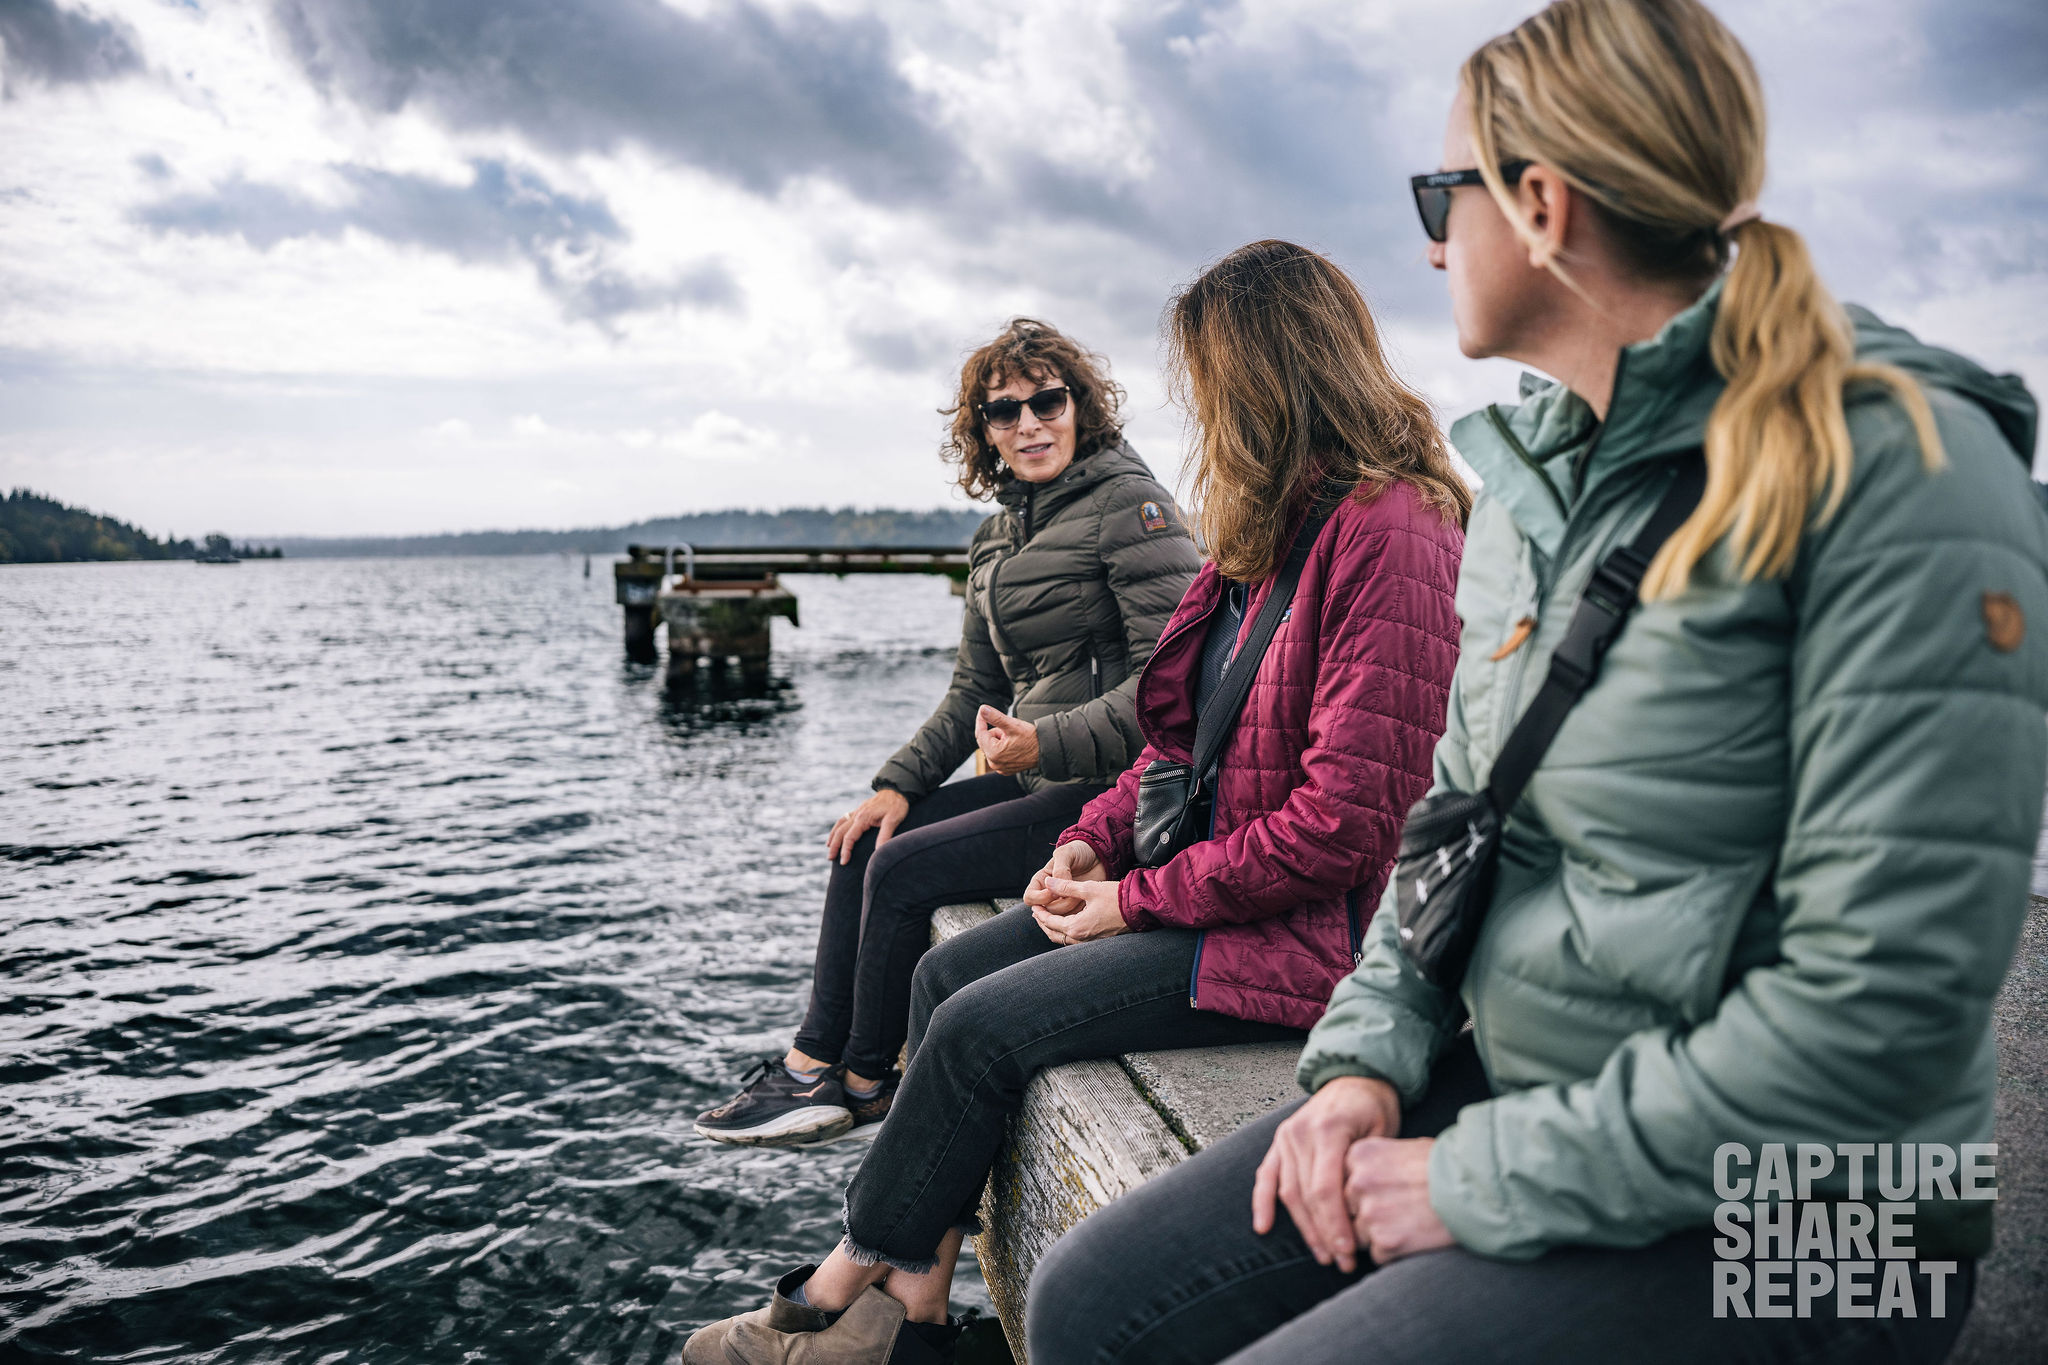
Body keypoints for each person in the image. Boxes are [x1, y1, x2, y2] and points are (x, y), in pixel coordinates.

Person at [1027, 2, 2048, 1362]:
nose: (1429, 239)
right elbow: (1453, 817)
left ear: (1545, 206)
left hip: (1838, 1211)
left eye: (1442, 192)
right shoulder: (1525, 486)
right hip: (1527, 1080)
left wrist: (1476, 1178)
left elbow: (1881, 1020)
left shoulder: (1905, 478)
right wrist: (1361, 1064)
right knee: (1093, 1301)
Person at [682, 240, 1468, 1363]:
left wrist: (1137, 902)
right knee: (946, 968)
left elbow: (1343, 829)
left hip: (1303, 938)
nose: (1194, 407)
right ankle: (911, 1309)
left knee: (974, 1028)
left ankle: (835, 1291)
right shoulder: (1263, 530)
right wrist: (1093, 847)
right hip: (1213, 892)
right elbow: (1172, 743)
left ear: (1264, 377)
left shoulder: (1389, 533)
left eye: (1205, 377)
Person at [694, 319, 1199, 1148]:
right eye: (1006, 412)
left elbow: (1175, 686)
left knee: (902, 869)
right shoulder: (997, 537)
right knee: (866, 838)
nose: (1030, 423)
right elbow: (976, 686)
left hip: (1114, 794)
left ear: (1082, 406)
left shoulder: (1131, 507)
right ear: (984, 432)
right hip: (1040, 776)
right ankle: (808, 1064)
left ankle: (862, 1081)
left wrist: (1047, 743)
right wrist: (897, 782)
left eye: (1048, 400)